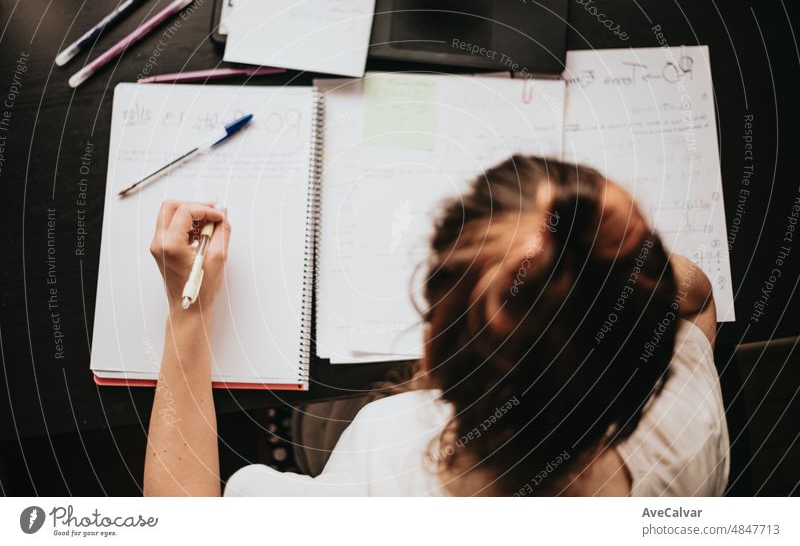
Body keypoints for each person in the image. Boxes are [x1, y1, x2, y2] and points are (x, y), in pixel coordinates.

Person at [143, 155, 730, 497]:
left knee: (310, 428)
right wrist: (606, 286)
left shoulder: (378, 475)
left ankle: (286, 433)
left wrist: (188, 311)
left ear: (430, 355)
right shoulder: (687, 426)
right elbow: (699, 303)